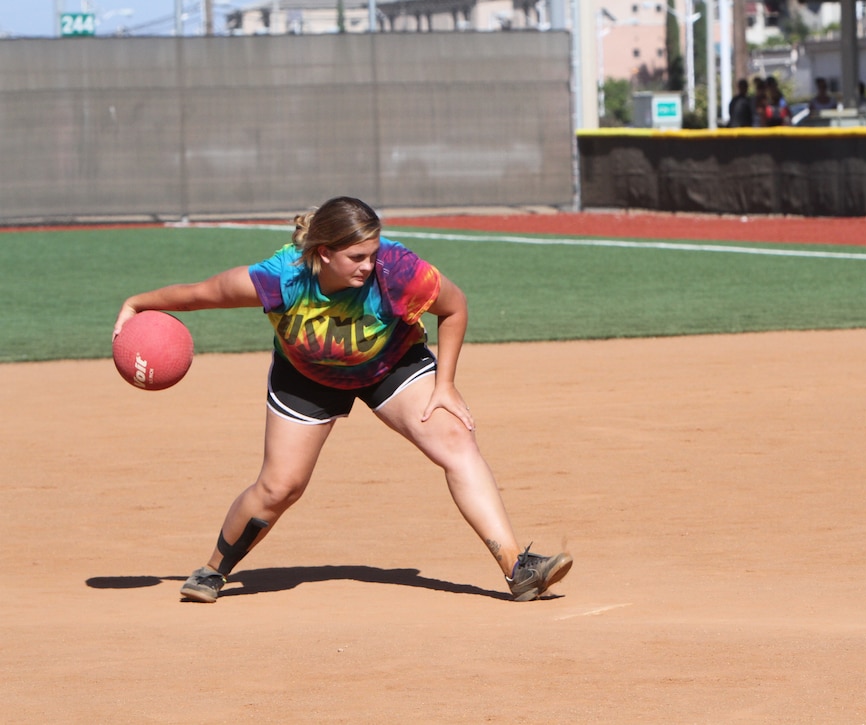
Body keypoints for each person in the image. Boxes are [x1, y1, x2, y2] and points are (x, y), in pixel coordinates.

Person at [113, 196, 573, 604]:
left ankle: (519, 569)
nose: (369, 265)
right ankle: (213, 570)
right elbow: (200, 295)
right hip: (307, 376)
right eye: (357, 256)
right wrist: (136, 302)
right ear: (322, 253)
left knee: (456, 441)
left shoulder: (398, 270)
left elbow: (454, 307)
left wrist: (445, 384)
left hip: (390, 363)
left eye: (373, 253)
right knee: (279, 488)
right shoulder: (282, 279)